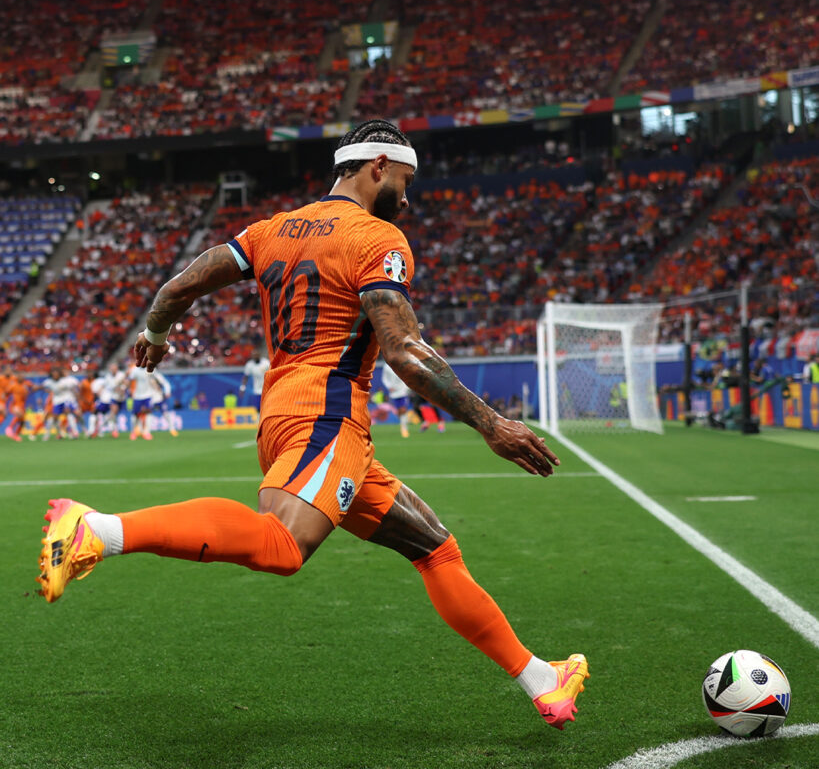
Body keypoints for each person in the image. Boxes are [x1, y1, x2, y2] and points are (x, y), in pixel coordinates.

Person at [35, 120, 588, 731]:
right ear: (377, 164)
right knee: (282, 544)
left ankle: (542, 680)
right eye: (404, 181)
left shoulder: (273, 230)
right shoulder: (379, 238)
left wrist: (155, 334)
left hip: (285, 412)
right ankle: (96, 529)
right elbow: (403, 350)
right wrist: (490, 423)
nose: (407, 198)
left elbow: (180, 284)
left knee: (433, 546)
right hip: (328, 415)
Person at [380, 361, 413, 438]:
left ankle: (404, 428)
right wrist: (389, 387)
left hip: (403, 390)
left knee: (403, 409)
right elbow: (385, 378)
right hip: (394, 392)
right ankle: (403, 423)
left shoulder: (402, 362)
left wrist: (408, 386)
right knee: (399, 411)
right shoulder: (387, 366)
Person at [239, 347, 267, 412]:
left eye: (256, 355)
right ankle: (259, 421)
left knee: (266, 408)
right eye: (254, 355)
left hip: (267, 389)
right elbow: (246, 377)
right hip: (257, 390)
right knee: (258, 408)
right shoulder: (249, 365)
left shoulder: (266, 363)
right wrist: (242, 388)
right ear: (252, 356)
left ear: (259, 355)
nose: (255, 356)